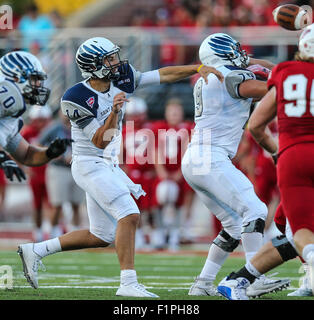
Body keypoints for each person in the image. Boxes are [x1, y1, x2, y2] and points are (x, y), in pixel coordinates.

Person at [17, 36, 224, 298]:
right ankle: (127, 282)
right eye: (109, 59)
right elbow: (99, 141)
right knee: (129, 214)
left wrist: (195, 69)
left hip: (107, 165)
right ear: (94, 65)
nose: (116, 62)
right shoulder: (76, 97)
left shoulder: (120, 78)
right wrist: (114, 113)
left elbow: (160, 75)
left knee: (101, 235)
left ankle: (35, 251)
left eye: (114, 56)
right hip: (90, 163)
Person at [181, 32, 289, 297]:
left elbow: (266, 79)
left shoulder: (216, 76)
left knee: (231, 226)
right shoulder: (228, 76)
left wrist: (265, 67)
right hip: (210, 156)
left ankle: (203, 282)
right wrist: (293, 82)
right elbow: (271, 91)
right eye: (236, 49)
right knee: (255, 210)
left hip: (198, 158)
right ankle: (254, 278)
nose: (241, 53)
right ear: (223, 53)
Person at [217, 23, 314, 300]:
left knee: (291, 228)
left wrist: (276, 152)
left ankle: (239, 280)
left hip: (293, 156)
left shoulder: (286, 72)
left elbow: (257, 125)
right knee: (301, 230)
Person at [152, 98, 194, 250]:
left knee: (178, 203)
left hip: (181, 172)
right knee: (159, 200)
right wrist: (161, 171)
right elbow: (154, 151)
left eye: (177, 111)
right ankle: (159, 232)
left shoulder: (187, 128)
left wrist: (180, 172)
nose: (175, 114)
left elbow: (187, 151)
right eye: (172, 111)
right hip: (164, 172)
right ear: (166, 113)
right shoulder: (159, 128)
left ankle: (176, 233)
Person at [39, 109, 85, 238]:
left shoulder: (81, 127)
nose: (66, 115)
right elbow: (37, 145)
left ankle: (75, 234)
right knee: (57, 204)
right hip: (58, 168)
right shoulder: (54, 128)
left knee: (76, 203)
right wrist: (53, 154)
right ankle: (53, 233)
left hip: (76, 168)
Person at [21, 104, 52, 242]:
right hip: (35, 173)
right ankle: (38, 232)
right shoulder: (28, 132)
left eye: (42, 119)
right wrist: (24, 168)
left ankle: (51, 230)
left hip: (51, 172)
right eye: (37, 119)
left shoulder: (52, 131)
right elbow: (15, 150)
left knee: (52, 204)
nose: (39, 123)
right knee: (37, 205)